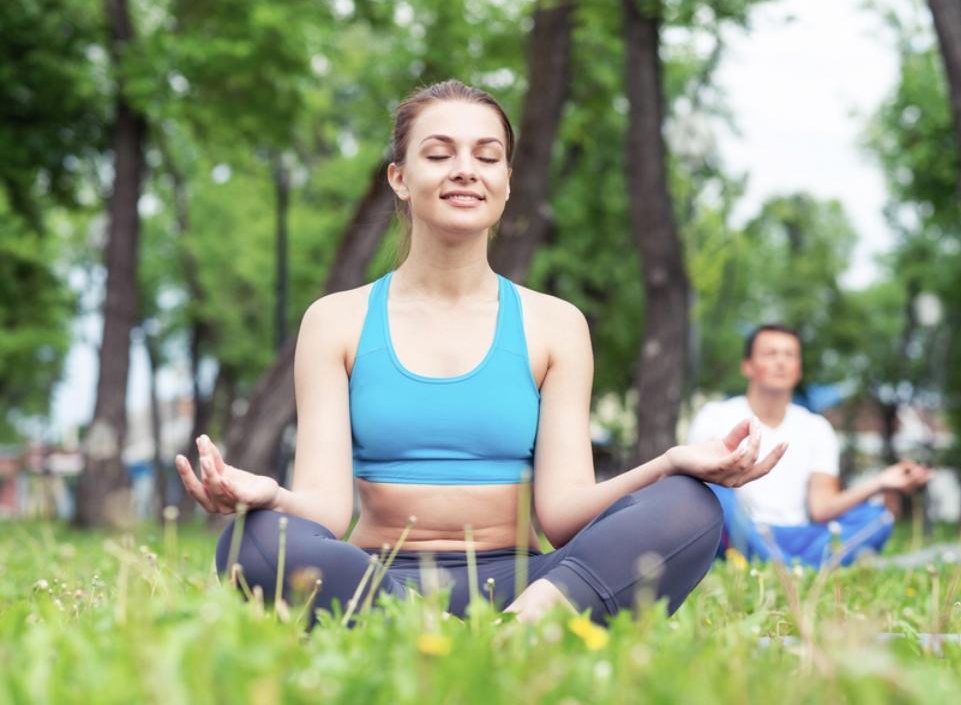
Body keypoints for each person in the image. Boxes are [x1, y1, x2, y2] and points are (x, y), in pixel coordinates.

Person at [175, 80, 785, 626]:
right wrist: (267, 496)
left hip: (527, 585)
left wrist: (671, 462)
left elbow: (565, 514)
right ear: (400, 178)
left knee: (691, 506)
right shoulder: (336, 320)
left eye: (487, 157)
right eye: (439, 155)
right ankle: (427, 632)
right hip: (375, 582)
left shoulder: (556, 324)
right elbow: (326, 511)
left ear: (506, 182)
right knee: (253, 539)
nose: (465, 170)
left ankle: (515, 633)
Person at [687, 324, 931, 568]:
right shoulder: (715, 417)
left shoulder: (816, 428)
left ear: (798, 369)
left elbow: (822, 508)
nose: (780, 362)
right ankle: (796, 568)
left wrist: (880, 482)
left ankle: (781, 565)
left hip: (800, 536)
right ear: (747, 366)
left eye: (789, 355)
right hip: (741, 529)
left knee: (876, 518)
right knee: (715, 495)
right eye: (770, 354)